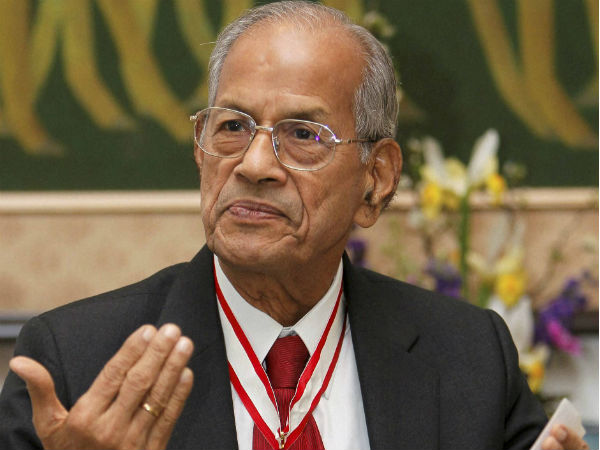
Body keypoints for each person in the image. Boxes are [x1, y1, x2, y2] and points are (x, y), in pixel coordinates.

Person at [0, 2, 590, 449]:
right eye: (232, 126)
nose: (254, 165)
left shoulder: (467, 358)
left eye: (304, 134)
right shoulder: (76, 363)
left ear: (376, 179)